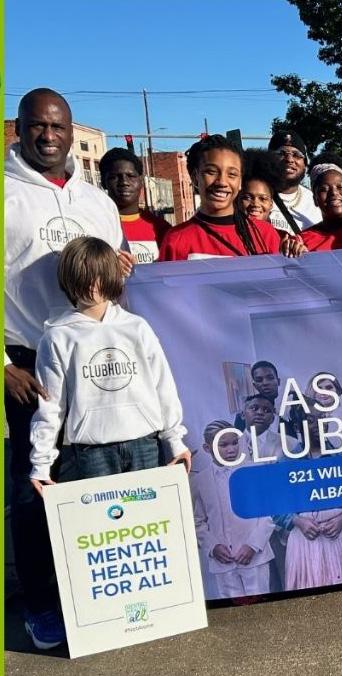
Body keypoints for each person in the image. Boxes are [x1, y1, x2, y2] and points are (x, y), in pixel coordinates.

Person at [5, 88, 131, 650]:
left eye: (59, 126)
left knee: (97, 477)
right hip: (29, 362)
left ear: (72, 131)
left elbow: (112, 276)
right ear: (19, 129)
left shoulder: (97, 201)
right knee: (35, 484)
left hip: (93, 357)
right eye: (38, 125)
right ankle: (42, 604)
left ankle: (97, 598)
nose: (49, 136)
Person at [29, 236, 191, 488]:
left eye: (99, 275)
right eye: (83, 276)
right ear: (69, 280)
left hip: (144, 444)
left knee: (150, 512)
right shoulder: (57, 337)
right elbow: (51, 405)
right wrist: (41, 463)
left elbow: (164, 386)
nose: (91, 284)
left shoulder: (137, 327)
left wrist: (175, 440)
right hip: (92, 452)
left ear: (111, 275)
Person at [158, 134, 304, 260]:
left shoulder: (265, 234)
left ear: (240, 182)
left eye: (232, 174)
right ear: (196, 177)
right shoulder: (176, 240)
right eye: (211, 172)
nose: (222, 182)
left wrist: (299, 256)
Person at [283, 397, 342, 590]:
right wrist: (298, 521)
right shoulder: (287, 462)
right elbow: (275, 505)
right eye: (311, 420)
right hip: (307, 540)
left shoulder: (341, 456)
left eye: (322, 417)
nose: (318, 424)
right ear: (298, 425)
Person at [192, 420, 276, 599]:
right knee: (234, 607)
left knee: (260, 603)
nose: (231, 450)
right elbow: (198, 521)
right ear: (207, 448)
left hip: (255, 558)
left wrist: (253, 545)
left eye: (234, 443)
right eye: (223, 445)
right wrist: (213, 546)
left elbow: (268, 514)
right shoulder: (201, 480)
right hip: (223, 563)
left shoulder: (254, 472)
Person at [99, 147, 171, 263]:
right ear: (103, 182)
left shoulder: (161, 228)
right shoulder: (96, 226)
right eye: (115, 177)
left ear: (141, 180)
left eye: (131, 176)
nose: (124, 182)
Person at [266, 130, 323, 234]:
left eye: (296, 155)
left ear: (305, 164)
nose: (289, 159)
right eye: (281, 154)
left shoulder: (317, 201)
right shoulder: (255, 196)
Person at [233, 361, 297, 437]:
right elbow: (238, 441)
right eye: (259, 380)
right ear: (254, 385)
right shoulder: (243, 416)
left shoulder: (293, 407)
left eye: (270, 378)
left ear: (278, 381)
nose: (265, 383)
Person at [237, 148, 284, 225]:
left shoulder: (279, 233)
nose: (255, 204)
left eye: (263, 199)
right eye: (248, 198)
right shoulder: (225, 231)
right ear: (238, 200)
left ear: (271, 204)